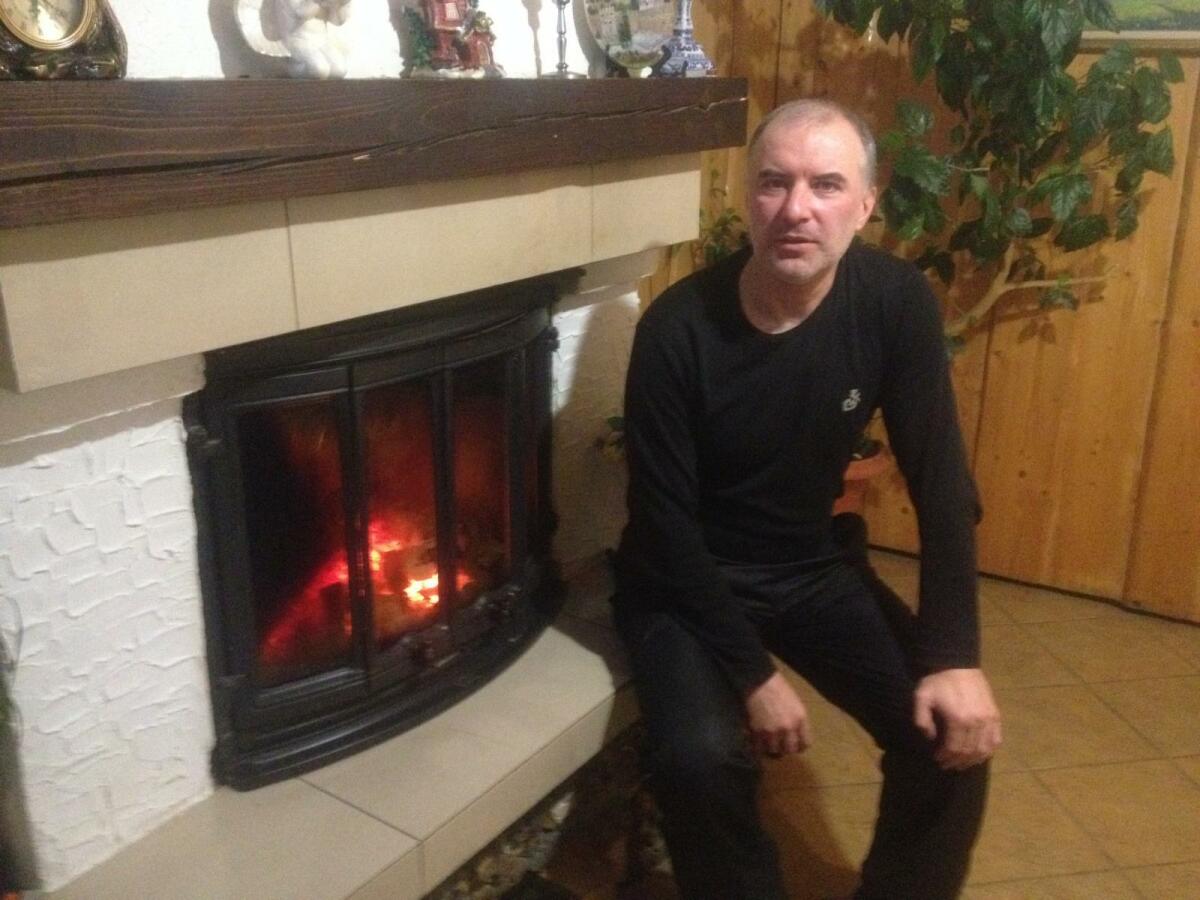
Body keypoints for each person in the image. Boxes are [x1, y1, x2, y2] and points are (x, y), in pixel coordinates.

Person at [612, 98, 1002, 900]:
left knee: (953, 739)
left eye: (826, 185)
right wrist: (754, 675)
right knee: (701, 759)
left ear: (865, 205)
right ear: (746, 198)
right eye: (774, 183)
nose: (797, 209)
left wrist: (954, 655)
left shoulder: (894, 301)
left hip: (808, 564)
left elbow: (940, 482)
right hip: (683, 583)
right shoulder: (676, 329)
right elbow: (664, 524)